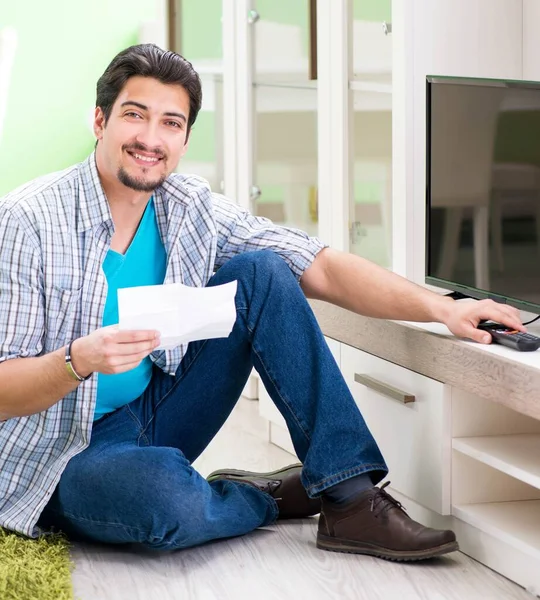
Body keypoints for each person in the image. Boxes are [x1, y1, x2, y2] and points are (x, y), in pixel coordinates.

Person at [0, 44, 524, 561]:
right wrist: (77, 361)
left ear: (184, 139)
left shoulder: (189, 207)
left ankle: (349, 497)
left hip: (152, 413)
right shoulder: (29, 220)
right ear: (100, 120)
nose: (150, 139)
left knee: (264, 271)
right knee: (163, 498)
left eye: (171, 124)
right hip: (56, 453)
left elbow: (316, 264)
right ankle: (264, 498)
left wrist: (444, 307)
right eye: (135, 116)